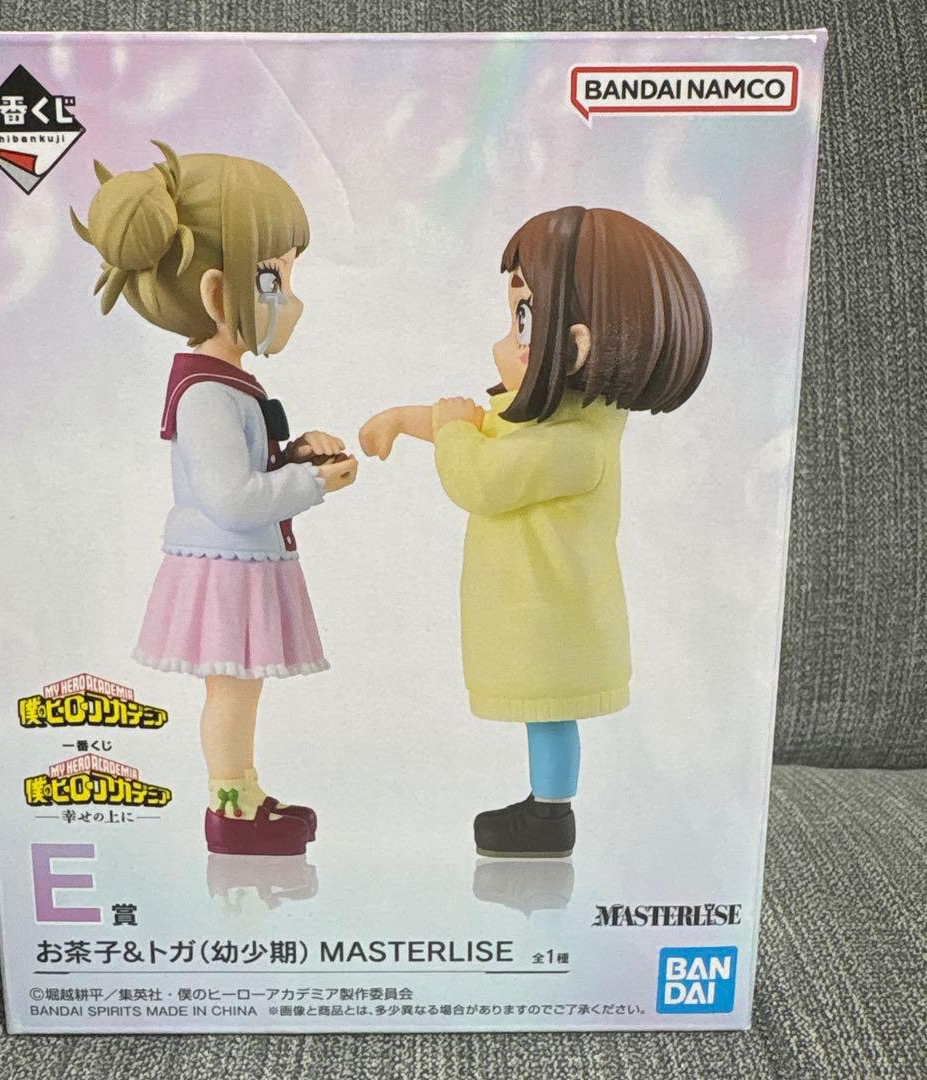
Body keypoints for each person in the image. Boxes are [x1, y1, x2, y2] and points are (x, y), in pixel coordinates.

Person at [360, 206, 710, 858]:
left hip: (553, 619)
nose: (506, 339)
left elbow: (482, 477)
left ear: (576, 346)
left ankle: (551, 815)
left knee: (550, 715)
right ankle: (544, 806)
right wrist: (407, 420)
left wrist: (452, 428)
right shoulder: (553, 426)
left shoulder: (578, 445)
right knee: (545, 715)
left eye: (524, 319)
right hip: (538, 613)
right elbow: (482, 427)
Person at [72, 142, 357, 856]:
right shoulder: (205, 393)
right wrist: (311, 484)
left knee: (240, 690)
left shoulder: (224, 386)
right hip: (227, 568)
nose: (289, 299)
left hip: (238, 564)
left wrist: (294, 455)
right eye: (274, 278)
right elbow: (231, 498)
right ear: (216, 294)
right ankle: (230, 813)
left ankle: (245, 798)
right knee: (231, 691)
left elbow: (243, 473)